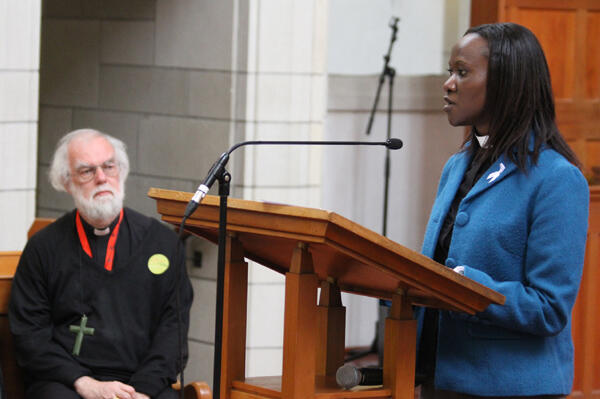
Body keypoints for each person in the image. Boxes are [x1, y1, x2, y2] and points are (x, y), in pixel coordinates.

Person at [417, 23, 589, 398]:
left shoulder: (557, 179)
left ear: (506, 83)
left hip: (510, 388)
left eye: (462, 72)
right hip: (437, 381)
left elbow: (549, 308)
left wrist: (465, 284)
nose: (448, 83)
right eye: (450, 71)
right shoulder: (457, 165)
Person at [9, 129, 193, 399]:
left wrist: (142, 391)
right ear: (66, 181)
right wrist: (83, 382)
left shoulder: (162, 243)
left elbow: (172, 331)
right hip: (67, 383)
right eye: (87, 171)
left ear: (122, 171)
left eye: (109, 166)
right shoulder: (43, 248)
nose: (102, 178)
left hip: (141, 383)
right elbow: (30, 335)